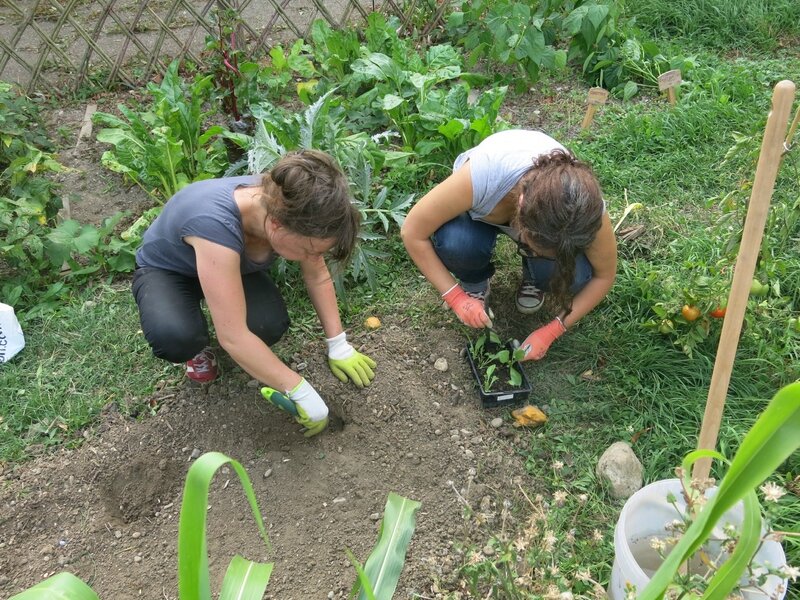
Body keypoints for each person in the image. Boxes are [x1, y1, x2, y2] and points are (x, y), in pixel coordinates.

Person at [132, 149, 376, 436]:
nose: (314, 256)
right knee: (176, 336)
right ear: (275, 225)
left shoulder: (292, 204)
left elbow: (317, 272)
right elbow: (233, 336)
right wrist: (298, 389)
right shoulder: (215, 224)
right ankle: (195, 348)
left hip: (230, 266)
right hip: (170, 270)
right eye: (310, 249)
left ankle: (224, 309)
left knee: (268, 325)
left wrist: (338, 344)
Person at [401, 129, 617, 360]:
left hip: (537, 217)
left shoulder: (586, 210)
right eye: (532, 247)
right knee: (459, 243)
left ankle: (535, 278)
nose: (534, 250)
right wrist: (456, 298)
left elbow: (604, 276)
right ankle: (474, 283)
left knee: (574, 273)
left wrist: (552, 330)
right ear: (520, 213)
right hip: (479, 211)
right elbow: (412, 232)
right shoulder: (482, 177)